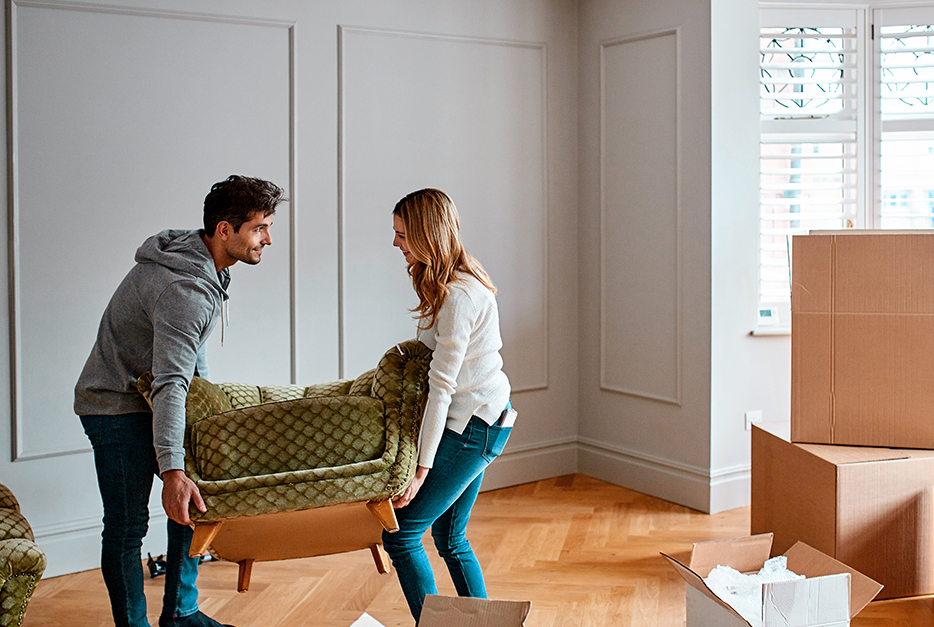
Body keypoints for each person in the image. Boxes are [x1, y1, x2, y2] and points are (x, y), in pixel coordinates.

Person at [74, 175, 286, 627]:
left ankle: (182, 616)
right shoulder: (182, 289)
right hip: (115, 405)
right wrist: (172, 470)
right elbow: (172, 380)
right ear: (225, 230)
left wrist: (204, 415)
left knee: (193, 506)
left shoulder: (205, 263)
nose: (268, 238)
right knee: (129, 528)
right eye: (260, 227)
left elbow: (190, 356)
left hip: (152, 397)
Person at [385, 188, 516, 622]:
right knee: (450, 537)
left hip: (473, 428)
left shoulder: (459, 296)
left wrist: (420, 471)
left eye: (402, 235)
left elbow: (442, 387)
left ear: (425, 235)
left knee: (403, 536)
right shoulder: (451, 283)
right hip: (484, 418)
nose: (396, 243)